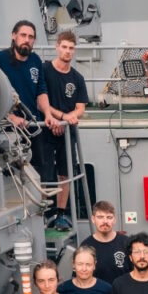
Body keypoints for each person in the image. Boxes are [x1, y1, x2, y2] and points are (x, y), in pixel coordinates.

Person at [0, 19, 50, 180]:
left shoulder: (35, 61)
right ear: (14, 36)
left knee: (38, 172)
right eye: (23, 35)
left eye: (31, 37)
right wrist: (10, 117)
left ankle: (40, 205)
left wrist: (48, 114)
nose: (27, 39)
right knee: (9, 174)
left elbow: (41, 91)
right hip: (7, 130)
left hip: (32, 127)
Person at [40, 30, 89, 222]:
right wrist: (60, 118)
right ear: (57, 47)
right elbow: (40, 100)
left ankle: (61, 214)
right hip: (46, 129)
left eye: (71, 48)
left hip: (67, 133)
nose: (67, 51)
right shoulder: (45, 71)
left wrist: (68, 119)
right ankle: (42, 214)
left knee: (65, 173)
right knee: (43, 174)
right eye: (64, 47)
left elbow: (81, 108)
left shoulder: (77, 78)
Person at [81, 200, 130, 284]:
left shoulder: (126, 242)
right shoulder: (86, 246)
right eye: (100, 217)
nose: (105, 221)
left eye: (109, 217)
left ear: (114, 220)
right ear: (93, 219)